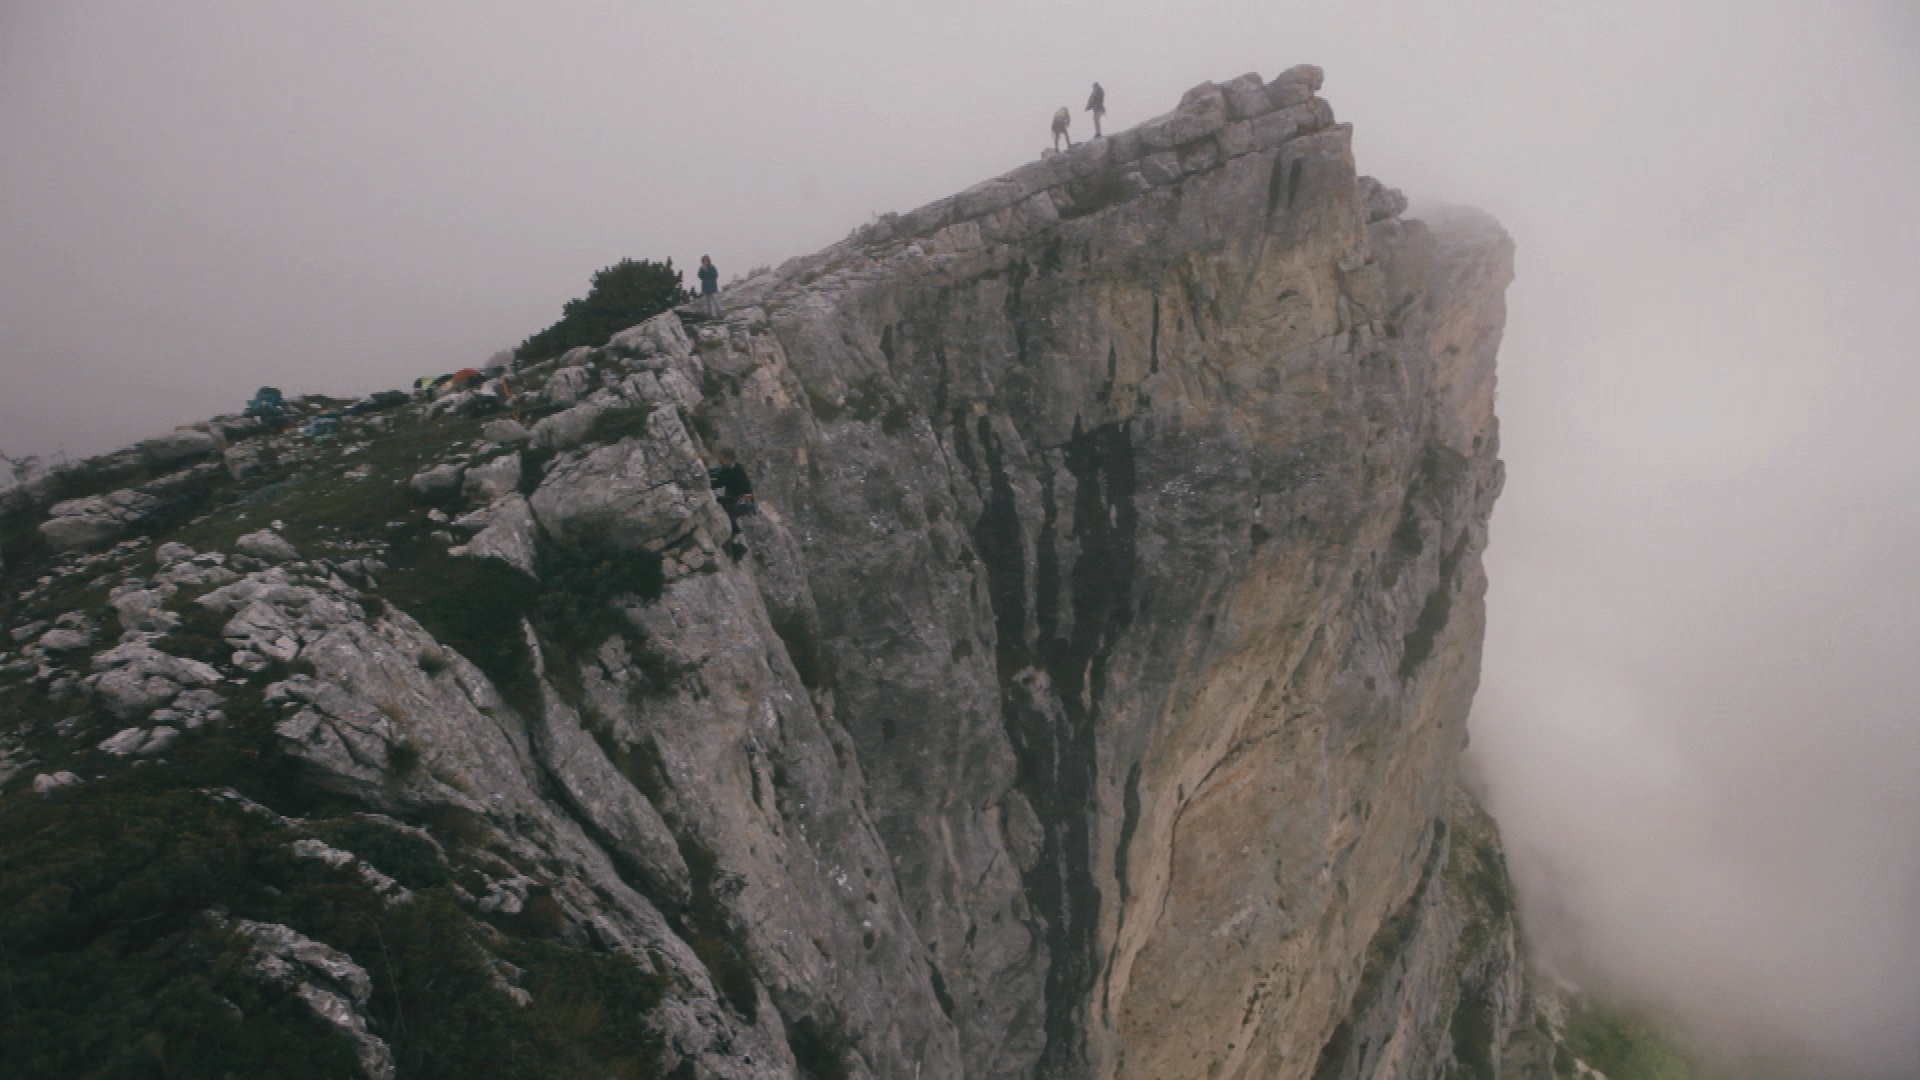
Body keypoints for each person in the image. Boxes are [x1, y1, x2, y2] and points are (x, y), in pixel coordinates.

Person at [708, 447, 754, 549]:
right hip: (739, 499)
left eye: (721, 457)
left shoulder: (733, 472)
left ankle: (735, 541)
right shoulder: (733, 467)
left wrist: (704, 482)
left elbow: (717, 483)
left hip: (740, 502)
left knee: (725, 508)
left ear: (727, 458)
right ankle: (734, 537)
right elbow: (715, 472)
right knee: (724, 505)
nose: (719, 459)